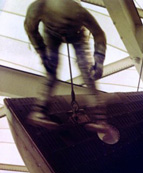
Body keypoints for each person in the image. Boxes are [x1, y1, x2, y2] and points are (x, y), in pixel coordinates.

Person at [24, 0, 118, 143]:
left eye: (67, 25)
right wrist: (42, 53)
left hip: (77, 35)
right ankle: (39, 111)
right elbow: (30, 29)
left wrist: (98, 61)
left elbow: (99, 34)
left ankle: (101, 121)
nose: (63, 31)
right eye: (61, 26)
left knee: (88, 75)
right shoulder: (38, 7)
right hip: (51, 34)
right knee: (51, 73)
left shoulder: (80, 13)